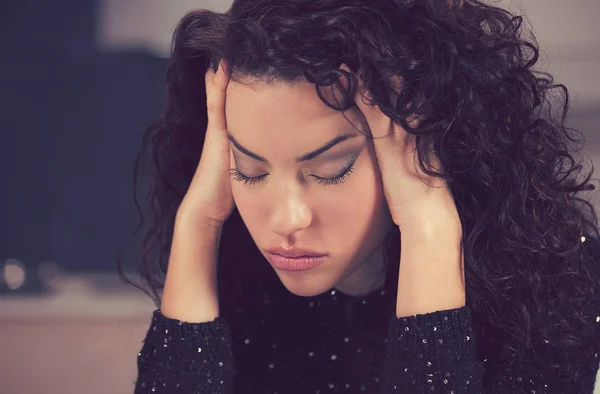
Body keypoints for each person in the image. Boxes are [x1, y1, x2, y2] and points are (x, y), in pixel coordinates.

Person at [123, 0, 600, 392]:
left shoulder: (555, 286)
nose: (287, 219)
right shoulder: (239, 274)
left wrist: (428, 222)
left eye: (330, 170)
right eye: (249, 169)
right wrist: (199, 222)